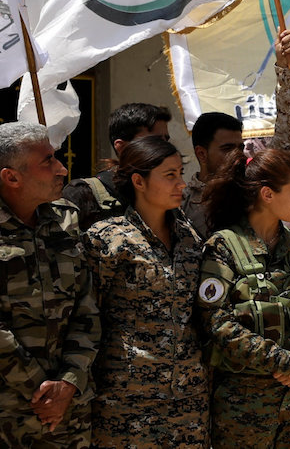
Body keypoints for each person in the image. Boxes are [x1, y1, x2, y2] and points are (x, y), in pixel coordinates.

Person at [0, 122, 100, 448]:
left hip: (70, 407)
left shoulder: (66, 217)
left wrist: (68, 383)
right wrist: (40, 390)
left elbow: (88, 308)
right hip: (5, 411)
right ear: (11, 177)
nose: (62, 169)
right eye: (49, 161)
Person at [197, 147, 290, 448]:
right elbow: (215, 323)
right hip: (246, 410)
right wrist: (285, 363)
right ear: (267, 194)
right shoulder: (224, 247)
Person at [82, 136, 209, 447]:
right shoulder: (106, 240)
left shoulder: (191, 239)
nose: (181, 183)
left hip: (187, 402)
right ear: (139, 180)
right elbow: (85, 320)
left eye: (181, 173)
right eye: (170, 175)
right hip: (127, 405)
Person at [183, 29, 290, 237]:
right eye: (227, 148)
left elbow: (289, 133)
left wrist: (285, 70)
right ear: (202, 154)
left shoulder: (251, 184)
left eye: (239, 147)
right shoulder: (181, 203)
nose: (238, 154)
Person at [62, 102, 172, 231]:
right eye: (155, 141)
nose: (165, 148)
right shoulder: (83, 194)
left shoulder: (167, 192)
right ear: (122, 147)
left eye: (166, 140)